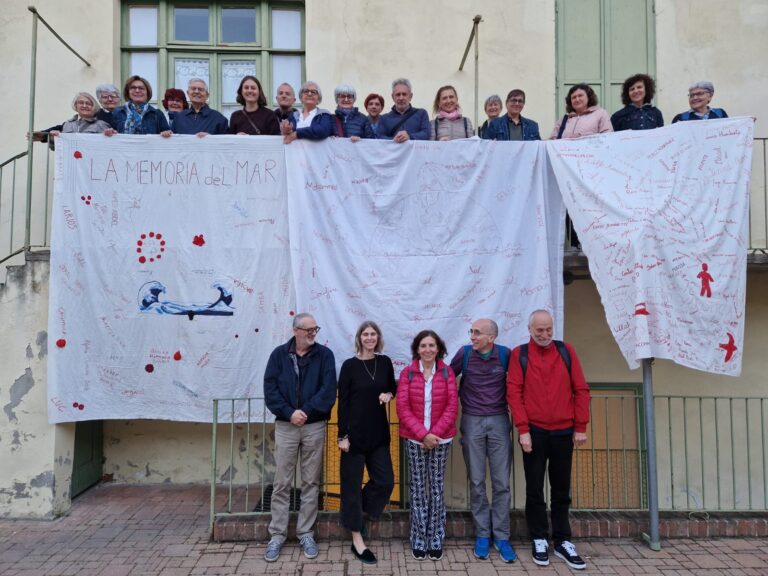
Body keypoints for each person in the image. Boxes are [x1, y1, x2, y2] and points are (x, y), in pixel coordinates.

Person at [506, 310, 590, 570]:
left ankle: (563, 540)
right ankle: (539, 538)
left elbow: (581, 389)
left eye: (548, 330)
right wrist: (523, 430)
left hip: (564, 432)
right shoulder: (519, 354)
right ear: (530, 329)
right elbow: (514, 392)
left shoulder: (566, 352)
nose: (544, 335)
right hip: (534, 432)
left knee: (562, 489)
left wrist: (580, 426)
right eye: (539, 330)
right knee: (534, 489)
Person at [263, 313, 337, 563]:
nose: (313, 334)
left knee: (310, 482)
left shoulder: (325, 355)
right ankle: (277, 535)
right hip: (286, 426)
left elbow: (328, 390)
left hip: (314, 425)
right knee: (282, 482)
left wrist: (305, 412)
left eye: (315, 329)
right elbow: (270, 390)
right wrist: (288, 413)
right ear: (295, 330)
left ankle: (306, 532)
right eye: (309, 330)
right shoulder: (278, 355)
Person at [450, 319, 516, 563]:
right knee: (477, 481)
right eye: (471, 332)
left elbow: (519, 383)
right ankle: (482, 534)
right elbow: (445, 379)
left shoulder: (505, 355)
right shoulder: (465, 354)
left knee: (501, 483)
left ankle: (502, 537)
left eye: (477, 333)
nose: (472, 336)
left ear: (491, 337)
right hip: (472, 420)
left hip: (499, 420)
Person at [337, 320, 396, 565]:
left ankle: (355, 512)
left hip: (378, 435)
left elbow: (392, 386)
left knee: (385, 481)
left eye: (373, 334)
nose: (369, 338)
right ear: (359, 338)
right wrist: (342, 436)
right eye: (365, 334)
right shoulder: (349, 366)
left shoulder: (384, 362)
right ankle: (357, 540)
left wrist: (389, 394)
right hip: (354, 436)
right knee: (351, 487)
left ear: (378, 337)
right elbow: (343, 403)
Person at [396, 329, 458, 561]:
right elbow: (402, 408)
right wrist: (423, 435)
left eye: (432, 345)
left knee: (437, 488)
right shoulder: (407, 373)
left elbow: (452, 407)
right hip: (415, 439)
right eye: (423, 346)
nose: (428, 350)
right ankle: (419, 538)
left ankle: (436, 538)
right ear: (417, 350)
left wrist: (434, 435)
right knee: (419, 488)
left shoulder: (447, 372)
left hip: (441, 440)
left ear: (438, 348)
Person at [45, 92, 114, 149]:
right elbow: (57, 148)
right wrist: (53, 139)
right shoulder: (67, 124)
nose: (84, 106)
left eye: (88, 104)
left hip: (91, 163)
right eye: (81, 103)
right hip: (70, 164)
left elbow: (109, 147)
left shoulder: (101, 125)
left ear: (93, 106)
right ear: (76, 105)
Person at [377, 78, 430, 142]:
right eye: (398, 94)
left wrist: (410, 136)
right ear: (393, 97)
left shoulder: (422, 114)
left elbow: (426, 133)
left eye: (404, 94)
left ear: (410, 96)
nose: (401, 98)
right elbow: (379, 137)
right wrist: (393, 140)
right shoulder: (384, 118)